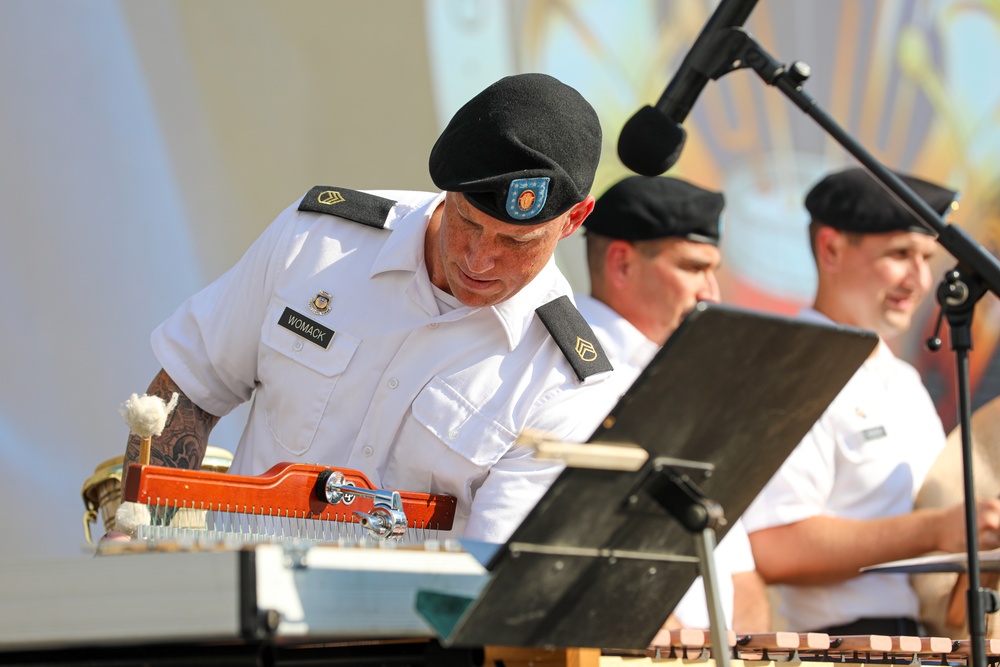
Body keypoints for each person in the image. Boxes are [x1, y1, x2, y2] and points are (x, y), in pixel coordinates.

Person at [112, 73, 623, 545]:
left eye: (516, 241)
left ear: (574, 219)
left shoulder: (564, 382)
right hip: (237, 613)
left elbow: (489, 567)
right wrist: (151, 539)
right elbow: (187, 390)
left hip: (399, 637)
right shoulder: (320, 240)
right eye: (466, 221)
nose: (479, 258)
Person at [742, 166, 1000, 635]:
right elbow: (774, 545)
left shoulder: (904, 382)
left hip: (929, 641)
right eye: (901, 254)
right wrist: (938, 530)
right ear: (831, 248)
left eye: (926, 257)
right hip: (838, 648)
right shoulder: (790, 373)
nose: (920, 280)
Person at [577, 174, 769, 633]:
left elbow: (737, 565)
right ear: (621, 263)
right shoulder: (564, 370)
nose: (712, 293)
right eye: (692, 268)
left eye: (714, 270)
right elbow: (582, 548)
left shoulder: (691, 379)